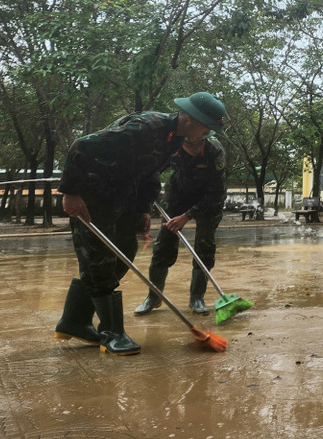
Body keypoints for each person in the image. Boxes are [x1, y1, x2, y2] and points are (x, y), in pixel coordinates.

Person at [54, 92, 226, 355]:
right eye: (206, 127)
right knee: (100, 261)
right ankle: (112, 333)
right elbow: (81, 145)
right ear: (190, 119)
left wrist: (143, 209)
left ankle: (74, 322)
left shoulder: (174, 139)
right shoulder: (146, 127)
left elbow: (148, 173)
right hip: (93, 199)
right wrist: (71, 192)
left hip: (123, 200)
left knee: (125, 253)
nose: (207, 134)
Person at [134, 133, 227, 317]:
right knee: (163, 246)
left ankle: (196, 298)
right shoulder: (171, 146)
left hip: (209, 199)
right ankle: (154, 296)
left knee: (205, 247)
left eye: (201, 143)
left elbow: (216, 193)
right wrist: (145, 201)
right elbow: (149, 172)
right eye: (193, 145)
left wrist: (187, 216)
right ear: (184, 142)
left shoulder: (215, 150)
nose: (198, 149)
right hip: (178, 194)